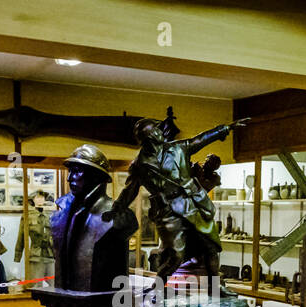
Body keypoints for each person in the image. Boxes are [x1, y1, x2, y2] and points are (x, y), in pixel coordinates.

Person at [104, 114, 246, 281]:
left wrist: (225, 128)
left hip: (192, 203)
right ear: (150, 136)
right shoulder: (140, 165)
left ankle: (216, 287)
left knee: (210, 247)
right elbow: (129, 191)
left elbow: (200, 140)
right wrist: (115, 209)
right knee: (176, 255)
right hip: (167, 210)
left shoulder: (179, 148)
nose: (161, 131)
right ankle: (158, 287)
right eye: (157, 130)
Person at [51, 144, 135, 293]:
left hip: (101, 305)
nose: (69, 178)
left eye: (77, 171)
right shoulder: (60, 214)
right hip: (63, 301)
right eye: (70, 171)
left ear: (96, 175)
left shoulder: (120, 216)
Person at [14, 190, 55, 282]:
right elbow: (21, 237)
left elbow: (54, 235)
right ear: (32, 199)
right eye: (38, 197)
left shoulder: (49, 216)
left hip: (49, 255)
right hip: (36, 256)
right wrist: (18, 256)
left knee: (54, 284)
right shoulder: (28, 216)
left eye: (42, 197)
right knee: (36, 285)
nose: (40, 200)